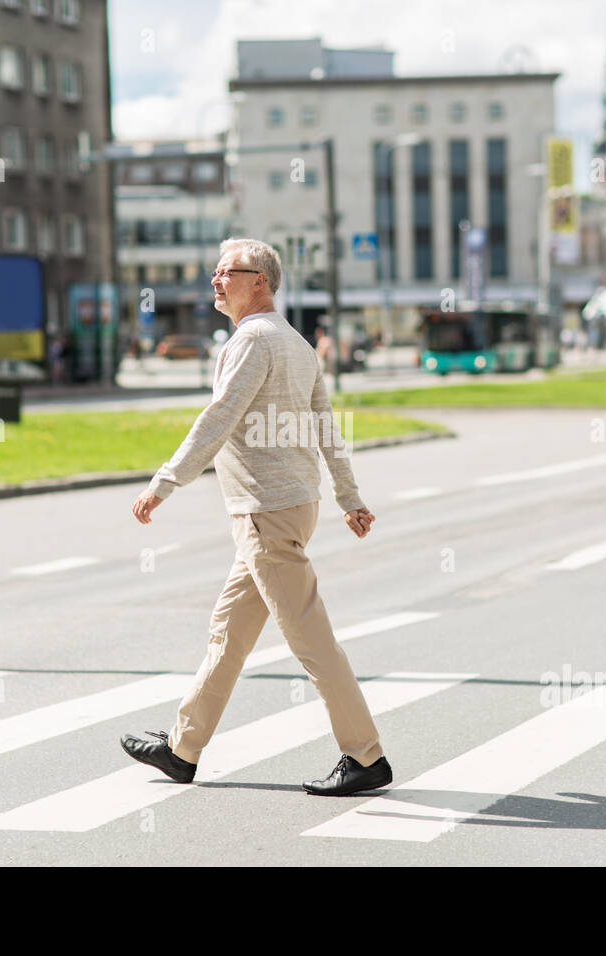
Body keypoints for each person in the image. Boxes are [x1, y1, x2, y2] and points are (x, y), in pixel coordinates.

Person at [125, 237, 390, 797]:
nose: (216, 281)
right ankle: (182, 748)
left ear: (260, 281)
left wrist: (164, 482)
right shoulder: (295, 343)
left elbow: (218, 416)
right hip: (290, 507)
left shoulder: (253, 340)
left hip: (266, 514)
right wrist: (347, 497)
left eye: (228, 273)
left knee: (312, 641)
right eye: (215, 272)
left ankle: (366, 756)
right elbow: (325, 424)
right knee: (229, 633)